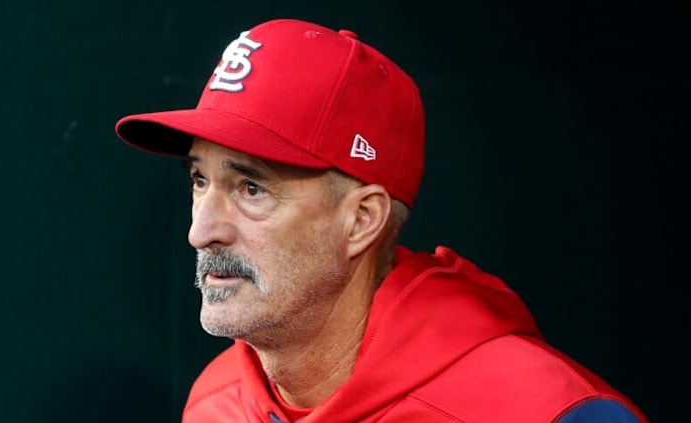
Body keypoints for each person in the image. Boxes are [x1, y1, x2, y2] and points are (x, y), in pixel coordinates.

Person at [114, 18, 649, 423]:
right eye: (199, 181)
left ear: (362, 220)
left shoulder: (548, 411)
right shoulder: (215, 402)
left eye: (251, 188)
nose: (200, 230)